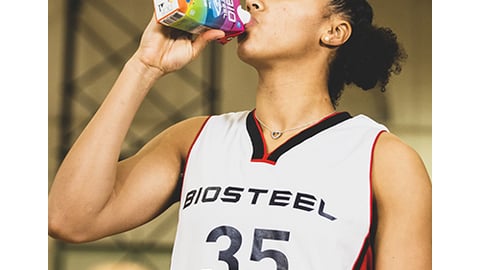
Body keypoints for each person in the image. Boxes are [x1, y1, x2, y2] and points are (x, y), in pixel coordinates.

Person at [48, 0, 432, 269]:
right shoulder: (194, 138)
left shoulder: (382, 158)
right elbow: (69, 218)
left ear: (334, 30)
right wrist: (144, 66)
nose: (255, 3)